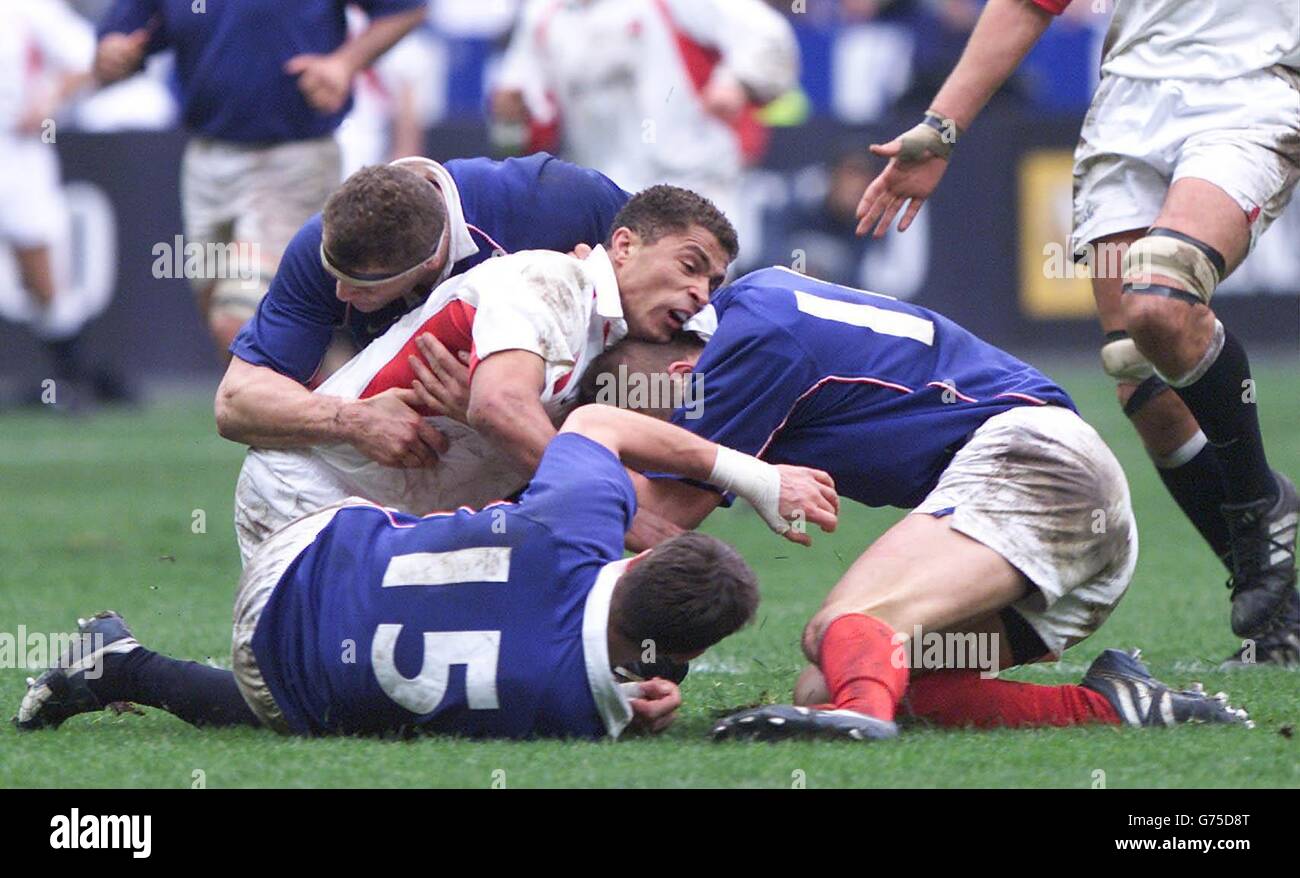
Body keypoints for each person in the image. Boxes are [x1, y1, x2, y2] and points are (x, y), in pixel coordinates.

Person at [569, 267, 1240, 739]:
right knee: (828, 681)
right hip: (1056, 515)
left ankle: (862, 722)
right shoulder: (761, 311)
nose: (652, 430)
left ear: (683, 371)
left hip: (1036, 464)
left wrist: (554, 445)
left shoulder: (744, 346)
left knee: (844, 625)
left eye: (643, 407)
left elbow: (664, 515)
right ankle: (1111, 706)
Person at [853, 0, 1300, 662]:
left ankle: (1259, 504)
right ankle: (1282, 624)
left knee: (1160, 299)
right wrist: (941, 129)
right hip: (1128, 106)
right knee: (1140, 376)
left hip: (1248, 92)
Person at [14, 404, 838, 740]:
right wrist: (637, 697)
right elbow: (594, 677)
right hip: (276, 681)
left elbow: (592, 418)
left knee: (479, 496)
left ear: (643, 554)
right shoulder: (581, 716)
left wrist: (747, 475)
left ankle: (117, 659)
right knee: (346, 713)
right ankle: (130, 668)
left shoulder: (579, 523)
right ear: (667, 653)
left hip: (302, 541)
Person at [232, 184, 737, 563]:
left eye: (712, 282)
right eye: (689, 266)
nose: (701, 292)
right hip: (308, 496)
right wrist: (630, 517)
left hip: (386, 514)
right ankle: (153, 671)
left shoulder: (603, 320)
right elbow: (500, 408)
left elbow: (508, 419)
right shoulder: (549, 277)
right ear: (622, 246)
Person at [215, 154, 630, 469]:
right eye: (333, 274)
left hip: (577, 405)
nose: (340, 293)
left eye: (363, 285)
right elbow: (235, 402)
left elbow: (677, 263)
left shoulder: (554, 198)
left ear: (429, 265)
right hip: (441, 458)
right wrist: (353, 420)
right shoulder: (319, 242)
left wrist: (503, 404)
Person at [93, 0, 430, 354]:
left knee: (240, 320)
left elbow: (406, 8)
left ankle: (316, 396)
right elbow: (115, 46)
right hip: (205, 158)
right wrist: (113, 54)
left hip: (292, 157)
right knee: (234, 331)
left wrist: (344, 63)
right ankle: (324, 396)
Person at [490, 0, 799, 252]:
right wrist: (511, 122)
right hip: (601, 203)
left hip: (693, 190)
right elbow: (517, 128)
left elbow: (769, 35)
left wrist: (737, 82)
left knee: (688, 313)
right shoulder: (541, 13)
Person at [0, 0, 131, 408]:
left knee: (39, 269)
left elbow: (88, 57)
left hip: (16, 151)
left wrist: (48, 99)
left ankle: (70, 380)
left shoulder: (27, 8)